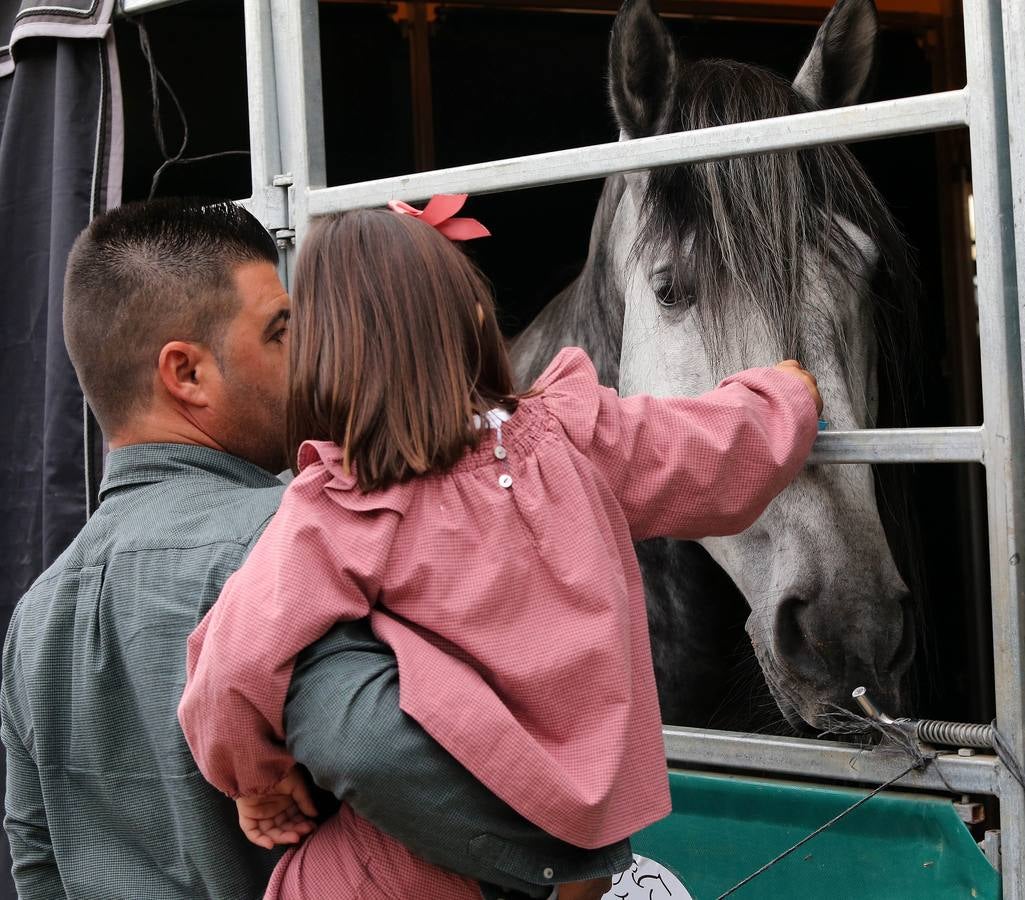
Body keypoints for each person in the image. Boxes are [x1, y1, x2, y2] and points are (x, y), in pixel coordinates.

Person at [176, 199, 824, 899]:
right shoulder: (575, 437)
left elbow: (229, 668)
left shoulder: (338, 508)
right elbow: (709, 452)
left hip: (395, 870)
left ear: (324, 358)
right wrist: (784, 398)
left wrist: (257, 780)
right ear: (477, 321)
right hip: (575, 861)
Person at [1, 198, 629, 900]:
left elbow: (37, 863)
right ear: (186, 375)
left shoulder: (34, 617)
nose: (311, 351)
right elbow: (368, 747)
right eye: (280, 331)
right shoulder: (292, 539)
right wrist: (571, 861)